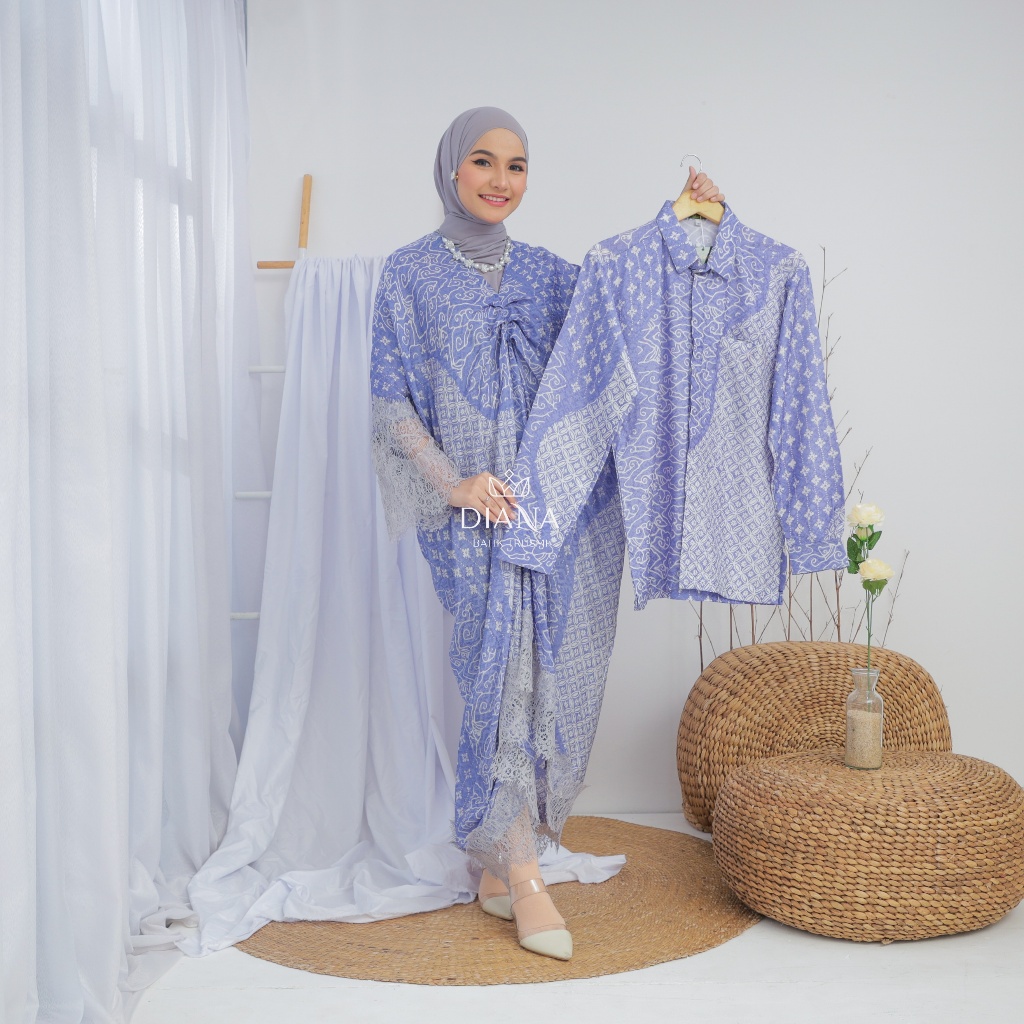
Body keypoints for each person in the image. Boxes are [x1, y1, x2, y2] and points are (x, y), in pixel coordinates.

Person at [370, 107, 721, 961]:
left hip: (550, 512)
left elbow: (624, 300)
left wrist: (682, 224)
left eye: (517, 165)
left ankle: (500, 864)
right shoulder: (408, 275)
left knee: (547, 679)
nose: (501, 180)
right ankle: (526, 879)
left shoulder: (552, 274)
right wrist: (453, 481)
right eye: (484, 161)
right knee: (496, 682)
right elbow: (390, 399)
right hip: (472, 518)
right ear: (451, 169)